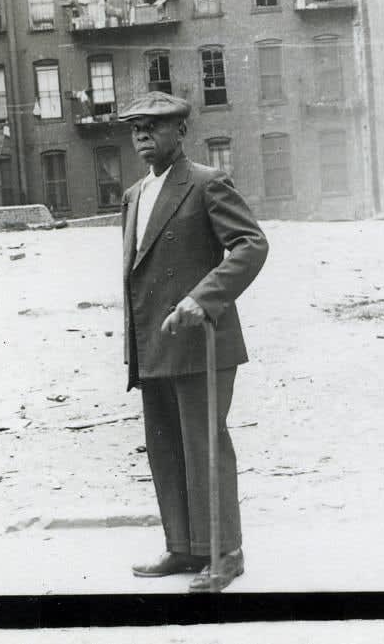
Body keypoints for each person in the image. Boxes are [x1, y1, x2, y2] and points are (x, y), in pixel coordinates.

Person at [118, 91, 268, 592]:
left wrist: (204, 299)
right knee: (164, 449)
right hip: (153, 344)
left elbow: (250, 245)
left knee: (204, 446)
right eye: (137, 126)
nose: (143, 134)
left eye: (154, 125)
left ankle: (226, 553)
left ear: (180, 131)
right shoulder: (134, 195)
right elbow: (139, 274)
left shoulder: (206, 183)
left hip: (202, 340)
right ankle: (183, 547)